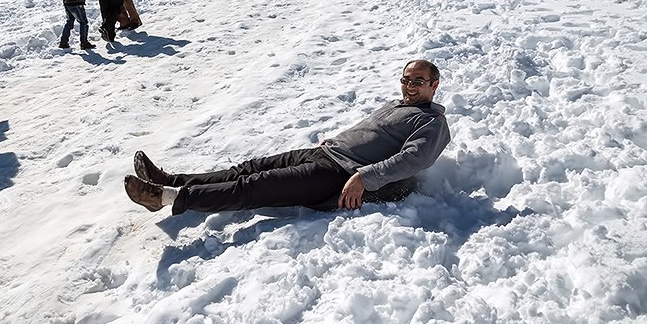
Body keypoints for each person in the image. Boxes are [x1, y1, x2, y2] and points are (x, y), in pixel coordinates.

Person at [124, 59, 451, 215]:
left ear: (434, 85)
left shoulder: (433, 123)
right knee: (246, 169)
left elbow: (412, 160)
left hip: (337, 174)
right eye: (406, 79)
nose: (410, 86)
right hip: (325, 153)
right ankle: (171, 180)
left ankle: (166, 198)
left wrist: (363, 178)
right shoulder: (399, 105)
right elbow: (370, 136)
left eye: (418, 81)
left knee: (254, 187)